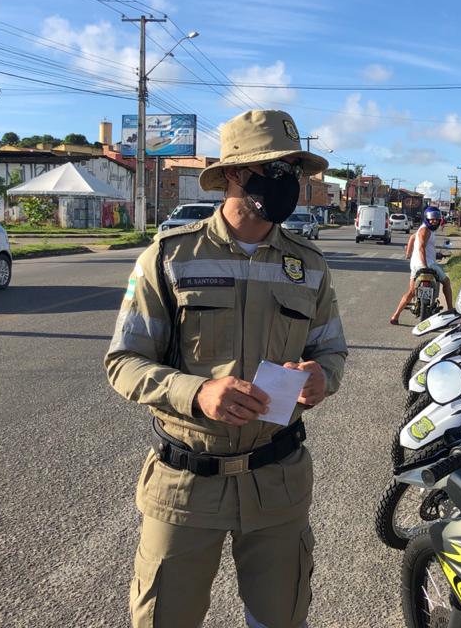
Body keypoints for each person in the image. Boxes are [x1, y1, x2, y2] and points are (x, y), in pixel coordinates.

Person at [105, 109, 348, 628]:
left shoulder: (309, 263)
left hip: (277, 481)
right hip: (187, 485)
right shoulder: (171, 256)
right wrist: (197, 393)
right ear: (236, 173)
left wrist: (323, 376)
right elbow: (123, 363)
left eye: (295, 171)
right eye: (276, 169)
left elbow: (332, 349)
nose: (290, 183)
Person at [389, 206, 452, 325]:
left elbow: (412, 238)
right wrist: (425, 266)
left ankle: (395, 315)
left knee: (412, 291)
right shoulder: (425, 231)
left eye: (436, 219)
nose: (434, 221)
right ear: (427, 219)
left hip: (415, 265)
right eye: (432, 219)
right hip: (427, 265)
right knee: (446, 282)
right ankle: (450, 311)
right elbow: (421, 248)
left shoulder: (422, 230)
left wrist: (408, 253)